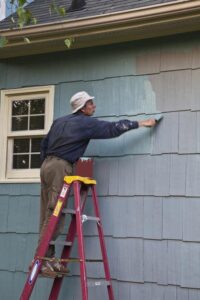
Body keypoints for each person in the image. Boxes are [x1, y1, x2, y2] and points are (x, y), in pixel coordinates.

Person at [37, 91, 156, 276]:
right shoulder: (86, 123)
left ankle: (49, 259)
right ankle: (41, 261)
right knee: (55, 214)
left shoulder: (59, 122)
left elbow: (43, 145)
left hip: (46, 167)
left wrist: (47, 165)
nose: (94, 106)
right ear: (83, 108)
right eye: (91, 103)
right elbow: (113, 128)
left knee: (47, 213)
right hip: (60, 166)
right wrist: (141, 123)